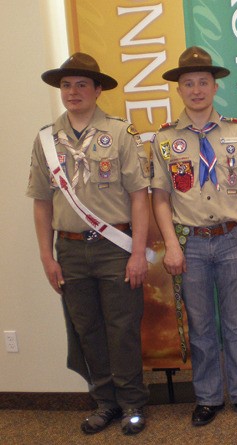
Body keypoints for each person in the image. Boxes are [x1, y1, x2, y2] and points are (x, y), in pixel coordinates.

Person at [26, 53, 151, 435]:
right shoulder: (47, 140)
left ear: (98, 90)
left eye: (82, 84)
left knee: (122, 327)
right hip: (70, 249)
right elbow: (42, 201)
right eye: (66, 85)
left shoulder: (119, 133)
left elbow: (139, 197)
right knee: (87, 329)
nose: (73, 92)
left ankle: (132, 403)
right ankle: (105, 402)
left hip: (115, 246)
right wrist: (47, 257)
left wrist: (137, 252)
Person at [150, 46, 237, 426]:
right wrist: (171, 245)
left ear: (215, 87)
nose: (196, 89)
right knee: (200, 326)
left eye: (203, 82)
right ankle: (209, 397)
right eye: (188, 83)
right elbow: (160, 197)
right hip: (191, 243)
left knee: (236, 323)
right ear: (178, 90)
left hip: (232, 238)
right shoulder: (165, 139)